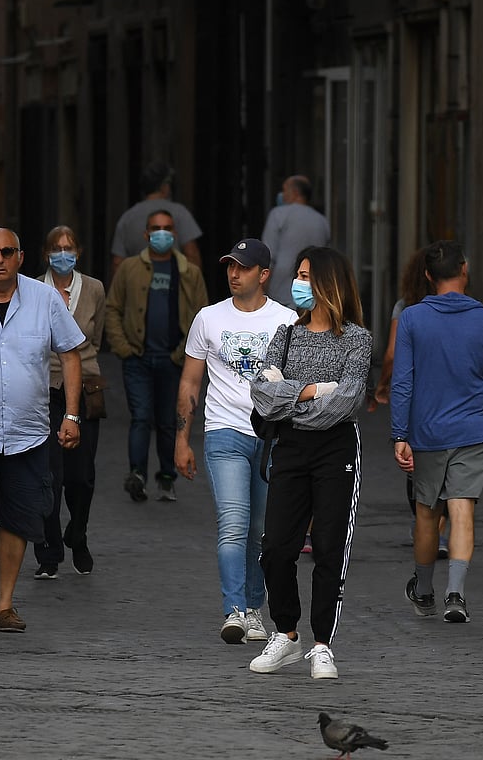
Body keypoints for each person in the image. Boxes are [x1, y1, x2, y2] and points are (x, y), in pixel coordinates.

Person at [0, 228, 86, 633]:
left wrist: (72, 415)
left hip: (30, 431)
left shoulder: (45, 298)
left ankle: (5, 606)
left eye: (7, 252)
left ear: (21, 257)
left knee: (18, 519)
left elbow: (70, 354)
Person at [247, 246, 372, 681]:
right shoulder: (285, 336)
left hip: (336, 449)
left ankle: (322, 645)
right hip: (290, 449)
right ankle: (286, 633)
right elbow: (262, 394)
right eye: (297, 275)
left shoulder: (356, 339)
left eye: (305, 276)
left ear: (327, 282)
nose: (298, 283)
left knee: (328, 547)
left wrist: (291, 397)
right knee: (276, 548)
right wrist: (316, 390)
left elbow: (347, 401)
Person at [174, 239, 296, 644]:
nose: (234, 273)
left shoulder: (287, 321)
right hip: (224, 431)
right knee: (233, 523)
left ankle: (255, 608)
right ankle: (234, 610)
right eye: (230, 266)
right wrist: (182, 439)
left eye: (243, 267)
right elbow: (190, 382)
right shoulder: (208, 318)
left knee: (262, 530)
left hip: (271, 435)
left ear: (264, 274)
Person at [390, 241, 483, 624]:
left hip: (427, 431)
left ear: (428, 275)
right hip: (473, 430)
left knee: (427, 515)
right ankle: (456, 593)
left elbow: (402, 382)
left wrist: (400, 434)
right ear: (464, 269)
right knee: (462, 510)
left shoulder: (412, 318)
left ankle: (425, 590)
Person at [105, 208, 208, 503]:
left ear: (175, 234)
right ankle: (137, 474)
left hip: (173, 359)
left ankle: (166, 477)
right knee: (140, 417)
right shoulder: (130, 268)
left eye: (167, 228)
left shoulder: (189, 271)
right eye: (155, 228)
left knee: (167, 420)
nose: (161, 233)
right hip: (137, 358)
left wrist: (185, 352)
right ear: (146, 234)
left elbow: (202, 315)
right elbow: (113, 308)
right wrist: (123, 348)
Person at [33, 226, 107, 579]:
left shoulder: (94, 289)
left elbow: (96, 337)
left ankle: (78, 534)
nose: (63, 253)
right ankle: (48, 551)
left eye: (69, 247)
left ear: (79, 252)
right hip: (44, 385)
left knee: (81, 475)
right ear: (46, 253)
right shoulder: (33, 288)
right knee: (47, 473)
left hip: (86, 386)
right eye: (56, 248)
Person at [370, 248, 450, 558]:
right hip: (448, 392)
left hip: (415, 394)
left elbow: (391, 354)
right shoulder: (456, 306)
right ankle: (439, 529)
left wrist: (382, 386)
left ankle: (424, 523)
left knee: (414, 464)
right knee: (447, 461)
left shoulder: (405, 307)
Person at [111, 161, 203, 272]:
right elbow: (192, 254)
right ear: (165, 187)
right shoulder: (180, 213)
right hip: (174, 280)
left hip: (137, 281)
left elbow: (117, 262)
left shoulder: (127, 217)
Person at [260, 175, 330, 308]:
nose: (281, 194)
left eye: (284, 190)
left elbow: (268, 257)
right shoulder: (322, 221)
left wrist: (261, 291)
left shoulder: (278, 215)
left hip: (280, 294)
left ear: (296, 193)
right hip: (312, 295)